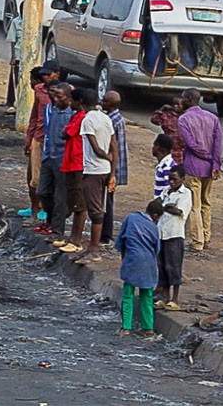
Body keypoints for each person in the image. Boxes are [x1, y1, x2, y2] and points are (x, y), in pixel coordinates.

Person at [177, 89, 222, 252]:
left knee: (194, 205)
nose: (180, 101)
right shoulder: (213, 118)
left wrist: (208, 156)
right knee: (206, 202)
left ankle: (197, 242)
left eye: (182, 98)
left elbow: (192, 145)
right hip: (210, 168)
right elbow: (218, 143)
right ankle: (206, 236)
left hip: (193, 166)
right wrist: (215, 162)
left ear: (188, 100)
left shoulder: (183, 119)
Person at [78, 90, 117, 263]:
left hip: (93, 170)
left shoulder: (87, 120)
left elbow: (95, 148)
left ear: (80, 102)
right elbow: (114, 146)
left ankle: (94, 250)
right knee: (99, 207)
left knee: (95, 211)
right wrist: (113, 171)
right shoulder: (105, 118)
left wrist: (104, 156)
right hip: (105, 170)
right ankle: (92, 248)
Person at [116, 199, 164, 337]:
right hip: (148, 263)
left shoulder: (131, 218)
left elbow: (121, 240)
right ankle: (148, 327)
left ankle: (126, 328)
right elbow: (157, 248)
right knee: (146, 296)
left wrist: (123, 256)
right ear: (155, 216)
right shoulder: (153, 228)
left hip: (132, 261)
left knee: (127, 296)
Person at [55, 87, 92, 254]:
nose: (70, 104)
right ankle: (72, 238)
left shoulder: (81, 117)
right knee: (74, 201)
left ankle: (76, 241)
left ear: (79, 102)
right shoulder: (77, 116)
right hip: (71, 163)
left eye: (72, 101)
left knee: (79, 204)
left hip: (77, 163)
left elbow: (65, 134)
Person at [36, 82, 75, 237]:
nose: (56, 99)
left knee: (60, 195)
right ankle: (50, 219)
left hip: (63, 159)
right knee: (43, 191)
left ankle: (57, 228)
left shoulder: (71, 114)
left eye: (59, 96)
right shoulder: (52, 110)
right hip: (49, 156)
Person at [21, 65, 58, 222]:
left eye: (49, 75)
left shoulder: (65, 91)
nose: (46, 78)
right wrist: (29, 140)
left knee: (50, 176)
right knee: (34, 176)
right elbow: (34, 117)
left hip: (55, 141)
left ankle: (45, 208)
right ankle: (35, 208)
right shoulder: (39, 90)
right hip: (39, 137)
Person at [155, 165, 192, 311]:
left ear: (182, 179)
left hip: (174, 234)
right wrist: (167, 207)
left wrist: (166, 207)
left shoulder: (185, 194)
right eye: (170, 179)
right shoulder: (166, 191)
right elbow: (157, 205)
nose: (171, 182)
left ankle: (175, 299)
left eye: (174, 179)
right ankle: (164, 296)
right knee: (162, 265)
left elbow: (179, 211)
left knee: (174, 266)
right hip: (162, 233)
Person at [102, 90, 129, 246]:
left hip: (112, 167)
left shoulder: (112, 120)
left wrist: (112, 172)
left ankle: (106, 235)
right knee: (107, 201)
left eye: (105, 101)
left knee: (107, 202)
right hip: (114, 166)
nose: (102, 102)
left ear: (110, 104)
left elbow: (113, 148)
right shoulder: (117, 118)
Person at [149, 98, 185, 165]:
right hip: (168, 148)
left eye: (178, 105)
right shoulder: (167, 115)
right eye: (174, 104)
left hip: (181, 151)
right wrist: (161, 109)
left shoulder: (187, 117)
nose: (175, 106)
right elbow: (154, 120)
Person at [5, 11, 23, 109]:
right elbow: (13, 40)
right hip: (18, 54)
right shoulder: (16, 22)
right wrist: (13, 56)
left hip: (29, 56)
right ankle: (11, 101)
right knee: (14, 79)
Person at [152, 133, 176, 199]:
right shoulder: (163, 164)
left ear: (158, 147)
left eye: (154, 145)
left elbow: (168, 189)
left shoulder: (167, 167)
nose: (152, 148)